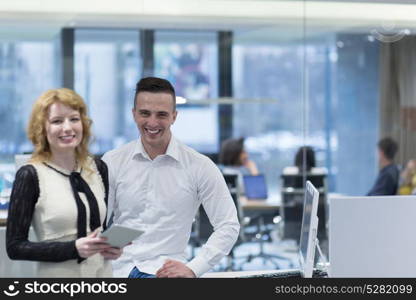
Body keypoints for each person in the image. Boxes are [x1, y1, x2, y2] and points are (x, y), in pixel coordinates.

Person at [102, 77, 239, 278]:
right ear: (133, 114)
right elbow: (97, 221)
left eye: (162, 115)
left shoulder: (199, 166)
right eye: (145, 113)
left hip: (164, 271)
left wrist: (195, 268)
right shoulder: (113, 161)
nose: (152, 122)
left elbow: (228, 225)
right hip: (117, 269)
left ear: (174, 116)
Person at [6, 88, 123, 277]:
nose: (67, 127)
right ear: (42, 128)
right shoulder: (30, 175)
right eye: (57, 121)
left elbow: (99, 227)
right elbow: (15, 247)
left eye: (74, 119)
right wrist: (73, 248)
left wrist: (110, 246)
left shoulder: (98, 168)